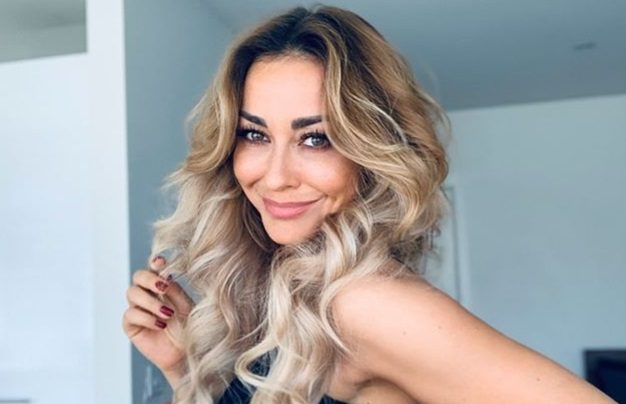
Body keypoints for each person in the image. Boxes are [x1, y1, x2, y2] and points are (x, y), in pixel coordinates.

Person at [123, 5, 615, 404]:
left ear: (370, 151)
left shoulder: (367, 304)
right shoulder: (293, 292)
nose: (275, 176)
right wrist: (183, 367)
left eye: (316, 139)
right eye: (254, 134)